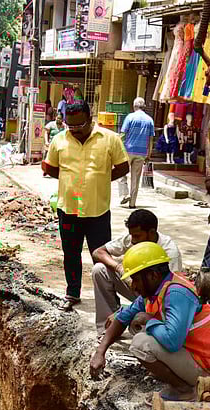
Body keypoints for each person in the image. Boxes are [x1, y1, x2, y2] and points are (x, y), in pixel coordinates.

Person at [90, 242, 210, 401]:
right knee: (137, 324)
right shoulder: (155, 291)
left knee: (141, 343)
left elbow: (172, 341)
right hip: (192, 354)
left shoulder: (176, 294)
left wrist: (149, 321)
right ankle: (183, 384)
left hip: (207, 367)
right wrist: (100, 352)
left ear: (153, 275)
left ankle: (185, 390)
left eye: (136, 279)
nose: (133, 286)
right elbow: (123, 318)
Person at [43, 99, 130, 307]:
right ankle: (72, 293)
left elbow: (123, 167)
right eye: (69, 126)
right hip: (69, 209)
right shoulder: (59, 140)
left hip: (97, 210)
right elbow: (50, 168)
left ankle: (110, 299)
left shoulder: (110, 139)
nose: (74, 131)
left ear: (89, 119)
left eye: (79, 126)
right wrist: (69, 180)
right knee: (70, 254)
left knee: (101, 258)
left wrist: (99, 180)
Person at [91, 209, 183, 334]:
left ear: (151, 233)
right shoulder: (132, 238)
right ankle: (105, 329)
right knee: (99, 270)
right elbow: (98, 252)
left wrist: (122, 313)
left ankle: (125, 318)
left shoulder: (170, 252)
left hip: (156, 298)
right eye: (132, 235)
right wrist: (119, 268)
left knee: (139, 326)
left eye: (137, 236)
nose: (133, 240)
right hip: (138, 290)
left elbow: (166, 293)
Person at [118, 97, 156, 209]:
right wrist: (148, 154)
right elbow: (151, 139)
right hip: (142, 152)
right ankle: (132, 203)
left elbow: (123, 134)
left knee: (121, 173)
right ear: (143, 106)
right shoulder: (150, 120)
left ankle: (124, 194)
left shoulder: (130, 117)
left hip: (128, 150)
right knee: (136, 178)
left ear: (134, 106)